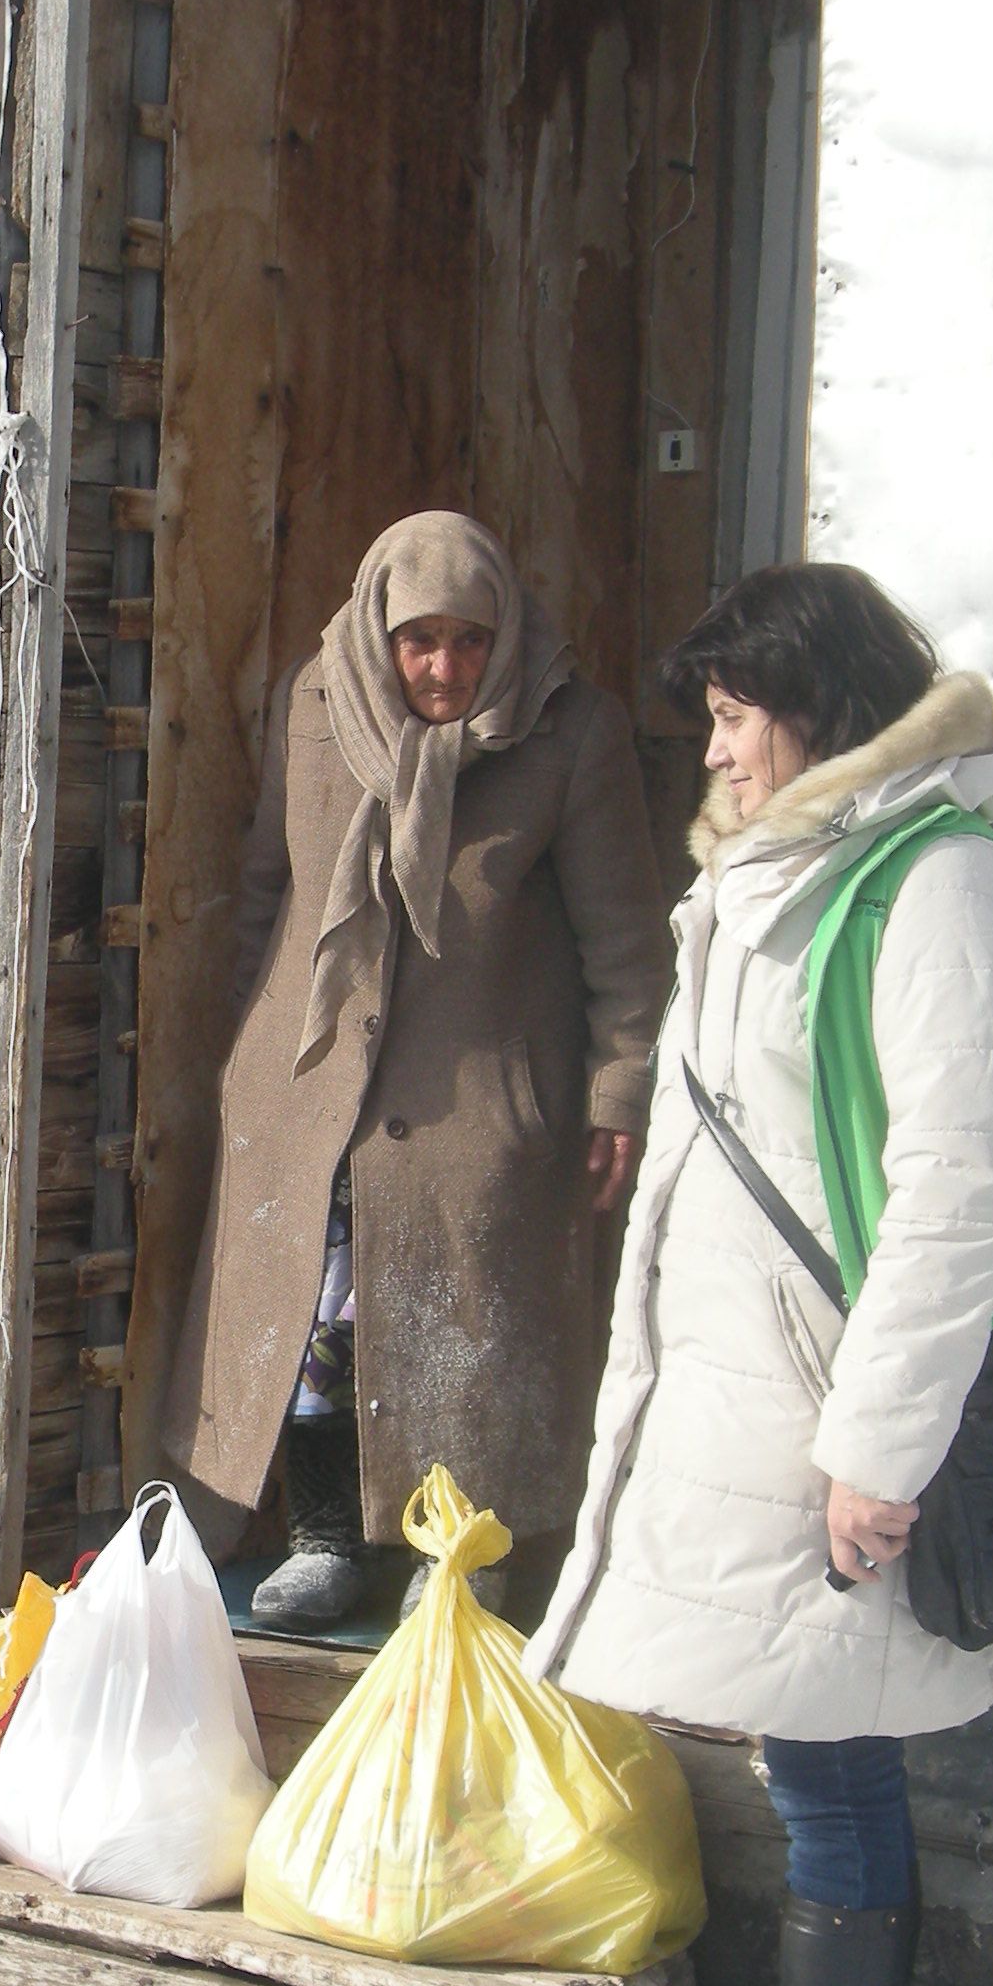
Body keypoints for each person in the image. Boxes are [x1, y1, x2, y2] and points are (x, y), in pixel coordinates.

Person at [527, 563, 993, 1986]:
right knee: (819, 1757)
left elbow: (964, 1187)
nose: (719, 753)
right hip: (756, 1396)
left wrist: (878, 1442)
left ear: (820, 712)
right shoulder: (778, 875)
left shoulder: (943, 887)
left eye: (737, 717)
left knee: (839, 1770)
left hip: (833, 1409)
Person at [168, 511, 667, 1635]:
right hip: (313, 1093)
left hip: (480, 1105)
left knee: (470, 1326)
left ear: (509, 637)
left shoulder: (573, 733)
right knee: (315, 1327)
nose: (444, 668)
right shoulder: (315, 701)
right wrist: (253, 1058)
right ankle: (326, 1538)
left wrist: (617, 1093)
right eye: (419, 641)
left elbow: (627, 941)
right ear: (377, 635)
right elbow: (270, 889)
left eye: (471, 641)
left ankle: (465, 1557)